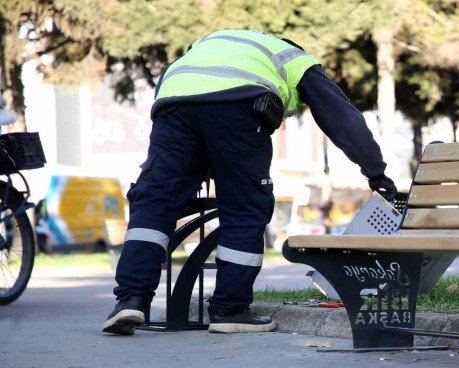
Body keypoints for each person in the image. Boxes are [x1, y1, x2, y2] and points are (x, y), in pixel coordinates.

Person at [102, 30, 397, 335]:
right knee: (245, 206)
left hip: (173, 102)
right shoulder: (296, 59)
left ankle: (130, 299)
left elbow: (187, 108)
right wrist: (375, 171)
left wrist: (190, 175)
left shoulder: (205, 46)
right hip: (238, 105)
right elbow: (340, 117)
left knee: (154, 202)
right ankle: (230, 310)